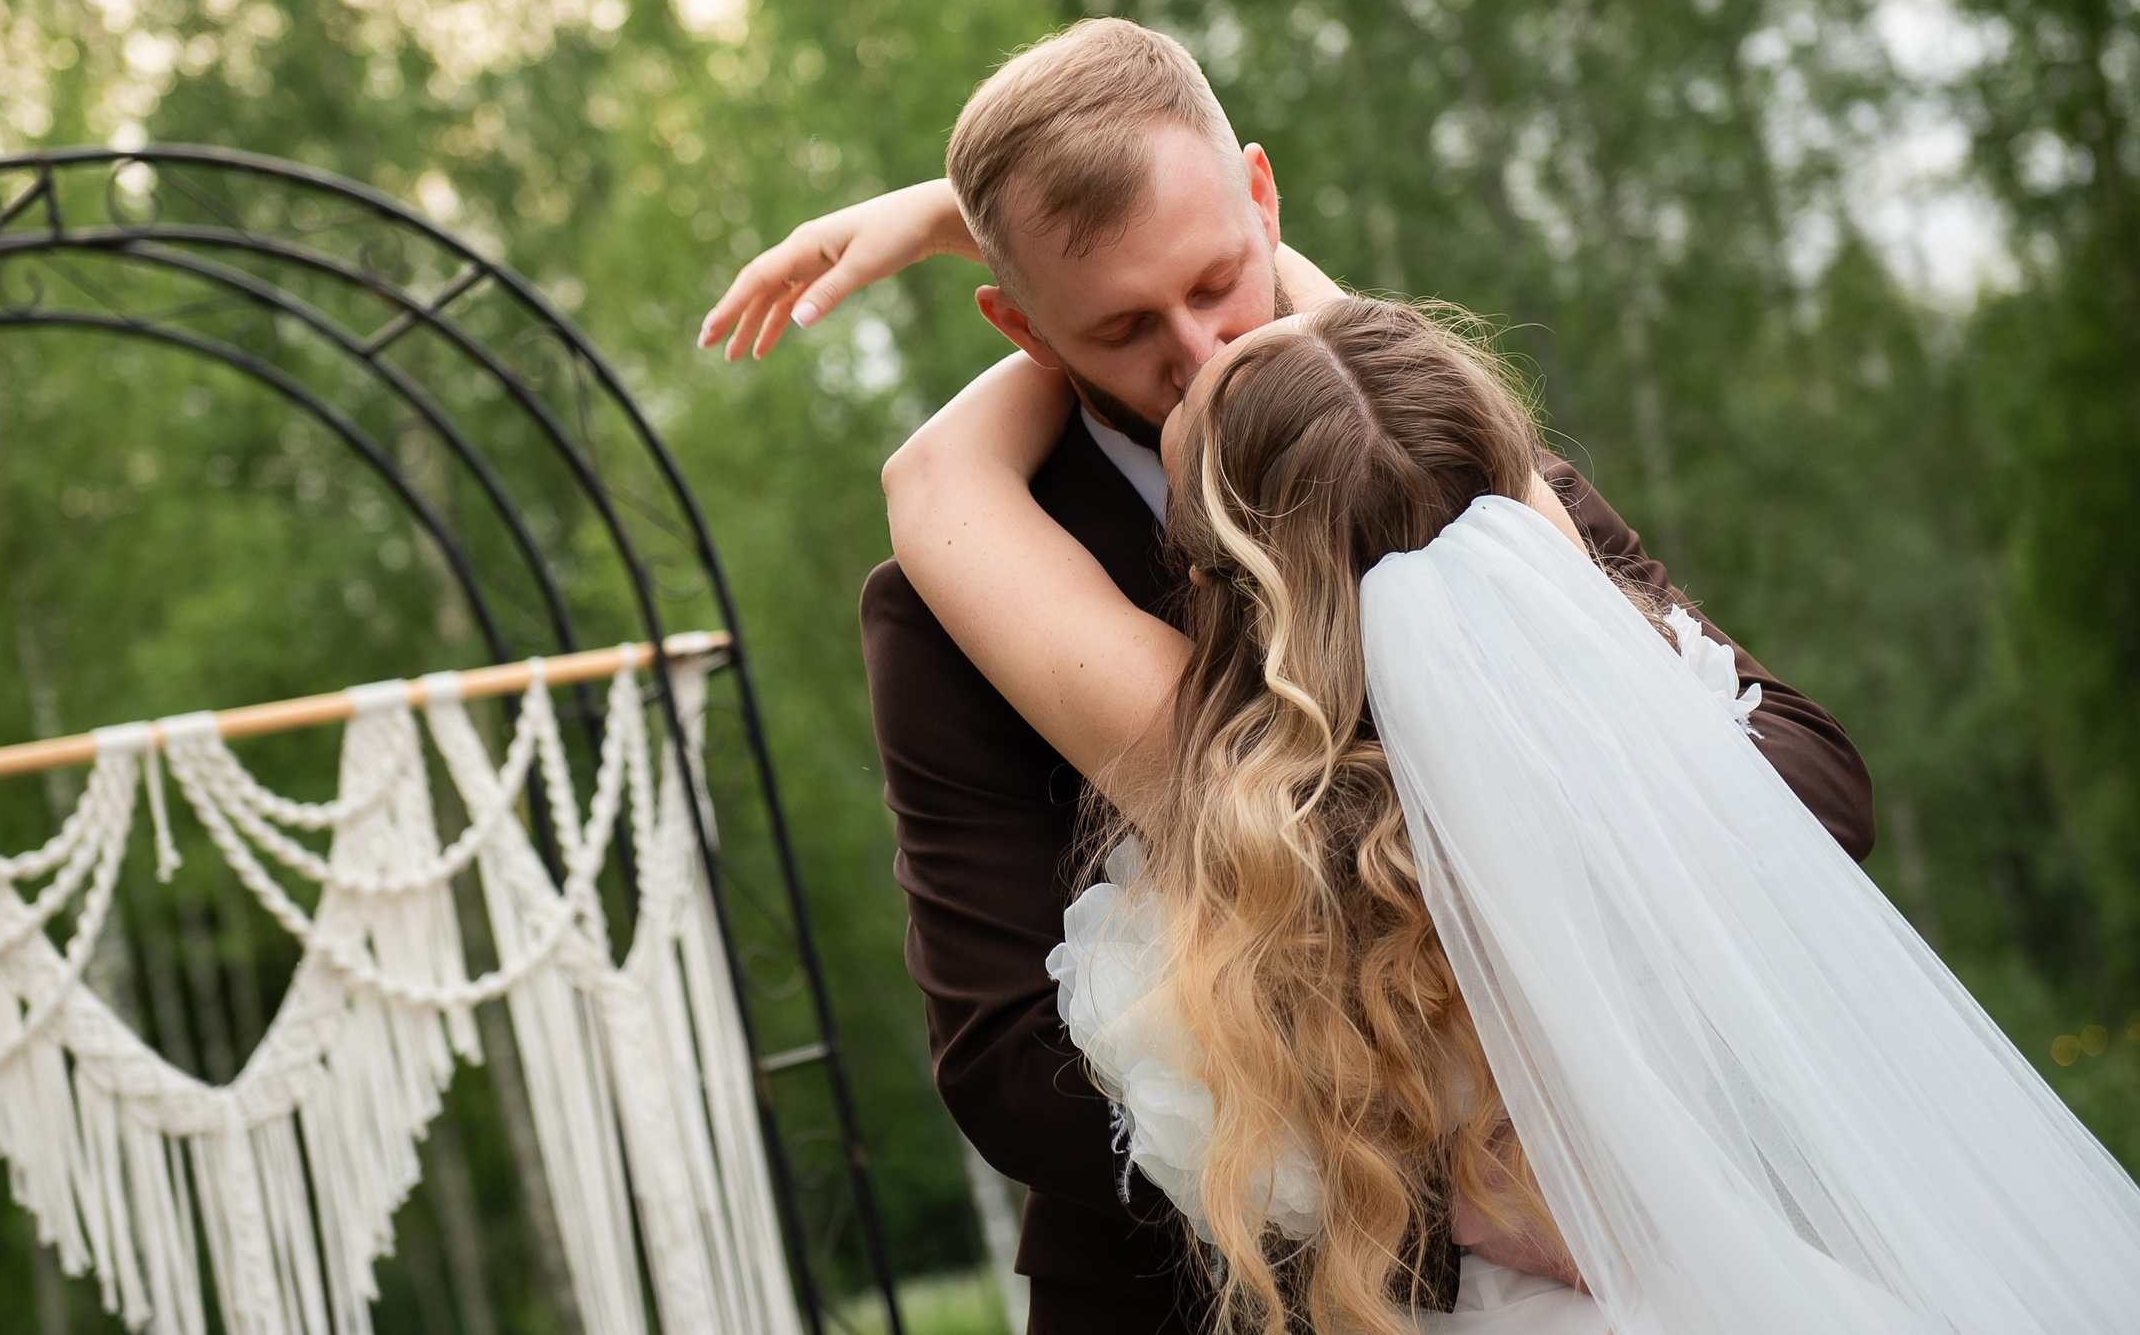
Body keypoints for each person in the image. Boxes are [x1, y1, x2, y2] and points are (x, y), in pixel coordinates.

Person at [699, 19, 1874, 1330]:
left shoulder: (1427, 447)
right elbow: (1007, 1068)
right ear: (1017, 324)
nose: (1203, 355)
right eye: (1127, 324)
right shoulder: (947, 609)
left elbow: (1812, 781)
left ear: (1263, 199)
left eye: (1219, 281)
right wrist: (1441, 1189)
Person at [879, 294, 2140, 1335]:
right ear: (1521, 495)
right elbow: (1394, 429)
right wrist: (1241, 250)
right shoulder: (1655, 726)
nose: (1203, 336)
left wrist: (1029, 277)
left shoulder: (1245, 833)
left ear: (1221, 586)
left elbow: (936, 482)